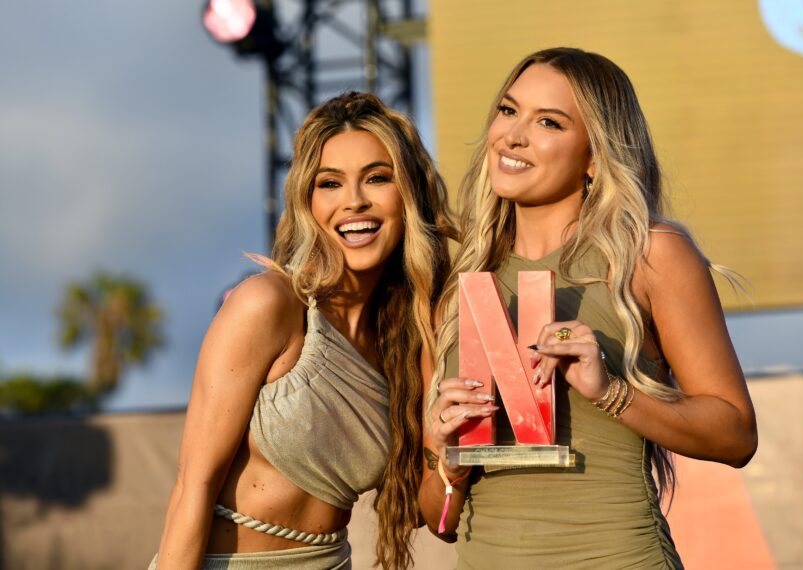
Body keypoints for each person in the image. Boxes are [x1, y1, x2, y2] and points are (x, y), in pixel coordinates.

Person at [419, 47, 758, 569]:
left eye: (548, 122)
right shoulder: (454, 286)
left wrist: (612, 392)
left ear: (595, 156)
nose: (512, 135)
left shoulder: (650, 253)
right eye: (508, 111)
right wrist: (450, 464)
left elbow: (736, 436)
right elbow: (440, 526)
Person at [152, 92, 454, 570]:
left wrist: (449, 451)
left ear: (409, 193)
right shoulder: (268, 306)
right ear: (308, 201)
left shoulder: (413, 336)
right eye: (329, 183)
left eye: (377, 178)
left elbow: (432, 515)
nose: (354, 201)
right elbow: (194, 485)